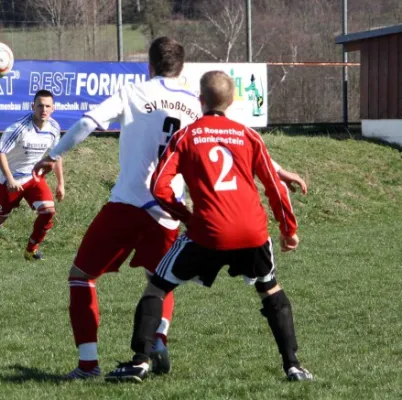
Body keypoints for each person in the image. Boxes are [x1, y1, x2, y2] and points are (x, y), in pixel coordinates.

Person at [33, 38, 307, 380]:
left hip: (130, 202)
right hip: (169, 211)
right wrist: (277, 169)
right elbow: (230, 138)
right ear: (181, 68)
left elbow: (88, 123)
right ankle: (158, 341)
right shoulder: (195, 103)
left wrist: (54, 154)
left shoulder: (132, 93)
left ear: (149, 65)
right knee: (162, 279)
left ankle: (89, 365)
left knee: (82, 277)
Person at [104, 70, 312, 383]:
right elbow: (275, 186)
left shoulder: (186, 136)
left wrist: (186, 217)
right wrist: (288, 229)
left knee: (158, 286)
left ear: (201, 101)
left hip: (208, 231)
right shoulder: (248, 135)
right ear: (232, 102)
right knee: (269, 289)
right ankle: (293, 365)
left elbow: (159, 187)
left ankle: (140, 362)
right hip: (252, 232)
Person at [0, 89, 64, 264]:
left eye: (48, 106)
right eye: (40, 105)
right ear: (33, 106)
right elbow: (0, 152)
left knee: (48, 212)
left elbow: (57, 155)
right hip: (10, 180)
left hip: (33, 178)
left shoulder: (54, 127)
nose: (44, 109)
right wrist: (9, 179)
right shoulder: (18, 128)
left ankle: (31, 250)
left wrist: (61, 183)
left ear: (53, 108)